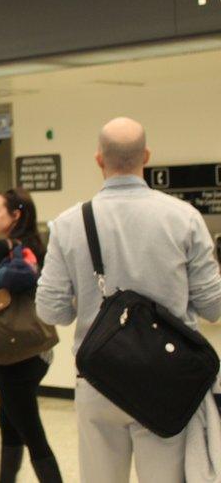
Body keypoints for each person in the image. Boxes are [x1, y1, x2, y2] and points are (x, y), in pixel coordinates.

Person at [36, 117, 221, 483]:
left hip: (98, 380)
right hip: (166, 380)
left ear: (99, 160)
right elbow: (213, 306)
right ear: (146, 156)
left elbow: (50, 310)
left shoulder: (69, 224)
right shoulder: (184, 218)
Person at [0, 189, 61, 482]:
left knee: (28, 427)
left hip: (13, 350)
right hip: (36, 348)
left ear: (16, 216)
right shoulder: (38, 248)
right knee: (9, 418)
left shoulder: (4, 250)